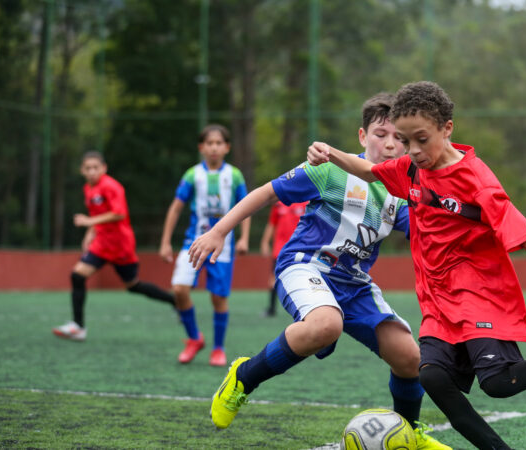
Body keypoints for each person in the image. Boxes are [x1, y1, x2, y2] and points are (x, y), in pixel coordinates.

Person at [306, 81, 526, 450]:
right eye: (406, 142)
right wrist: (330, 153)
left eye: (422, 139)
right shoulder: (409, 170)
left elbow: (515, 223)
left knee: (498, 382)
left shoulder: (475, 176)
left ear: (446, 128)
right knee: (432, 377)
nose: (413, 151)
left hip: (479, 290)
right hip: (436, 298)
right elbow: (370, 170)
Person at [191, 93, 449, 449]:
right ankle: (243, 377)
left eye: (399, 139)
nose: (389, 144)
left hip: (355, 283)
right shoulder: (331, 170)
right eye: (380, 134)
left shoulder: (403, 191)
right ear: (362, 136)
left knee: (410, 358)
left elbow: (429, 230)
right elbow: (267, 193)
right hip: (305, 265)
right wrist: (219, 230)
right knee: (327, 325)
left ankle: (409, 433)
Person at [52, 151, 176, 341]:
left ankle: (174, 300)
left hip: (120, 245)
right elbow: (97, 215)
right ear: (82, 170)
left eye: (95, 167)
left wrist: (88, 222)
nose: (92, 171)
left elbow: (119, 214)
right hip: (102, 244)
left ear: (104, 168)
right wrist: (90, 234)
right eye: (88, 168)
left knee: (133, 286)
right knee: (77, 275)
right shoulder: (88, 188)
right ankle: (78, 326)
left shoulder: (111, 187)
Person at [159, 124, 250, 367]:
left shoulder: (235, 175)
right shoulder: (192, 175)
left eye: (219, 143)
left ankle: (218, 348)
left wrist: (243, 238)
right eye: (209, 143)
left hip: (224, 247)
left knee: (218, 298)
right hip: (193, 243)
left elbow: (247, 207)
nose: (214, 147)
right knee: (179, 289)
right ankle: (194, 339)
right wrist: (166, 242)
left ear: (227, 147)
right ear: (201, 147)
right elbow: (176, 207)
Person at [259, 200, 307, 317]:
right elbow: (271, 224)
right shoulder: (279, 204)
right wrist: (265, 242)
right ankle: (271, 309)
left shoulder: (306, 204)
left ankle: (304, 309)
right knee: (273, 279)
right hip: (279, 249)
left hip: (298, 248)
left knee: (302, 279)